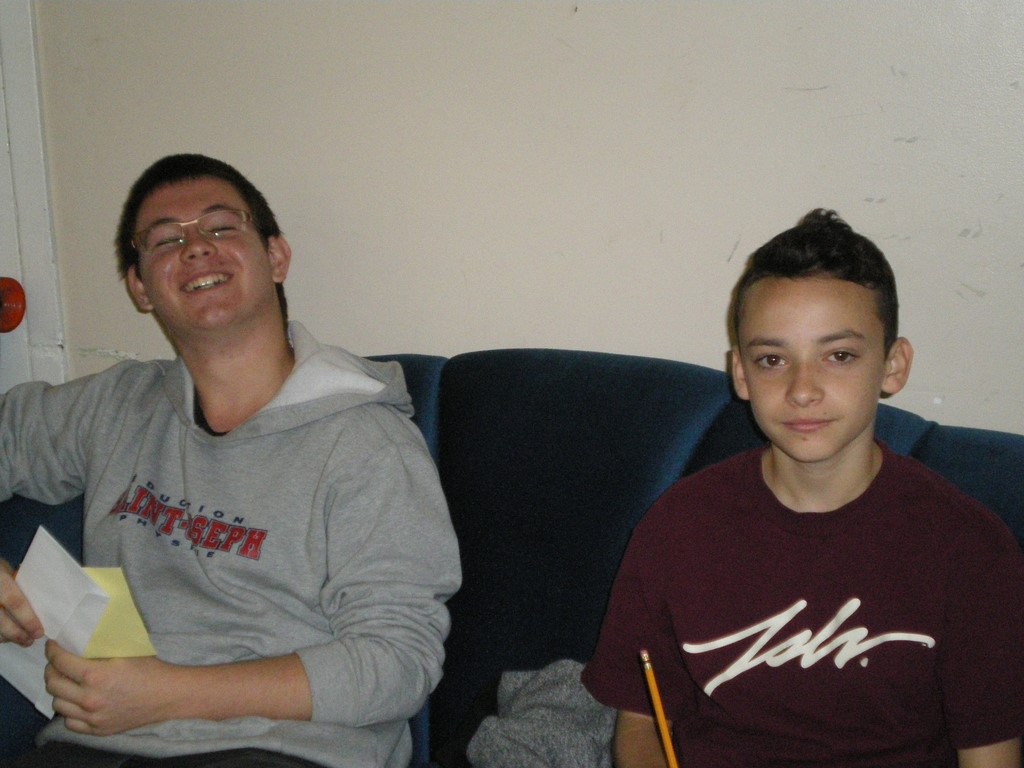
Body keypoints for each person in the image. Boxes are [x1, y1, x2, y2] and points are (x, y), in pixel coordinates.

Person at [0, 154, 461, 768]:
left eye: (221, 227)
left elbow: (397, 664)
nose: (195, 247)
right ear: (140, 287)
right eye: (166, 240)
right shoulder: (114, 405)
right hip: (89, 749)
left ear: (276, 257)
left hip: (278, 750)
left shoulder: (367, 442)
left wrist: (165, 695)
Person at [582, 209, 1024, 767]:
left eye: (838, 356)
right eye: (772, 360)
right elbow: (642, 720)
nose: (802, 389)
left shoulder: (969, 548)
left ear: (893, 365)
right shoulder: (679, 526)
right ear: (740, 374)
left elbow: (991, 755)